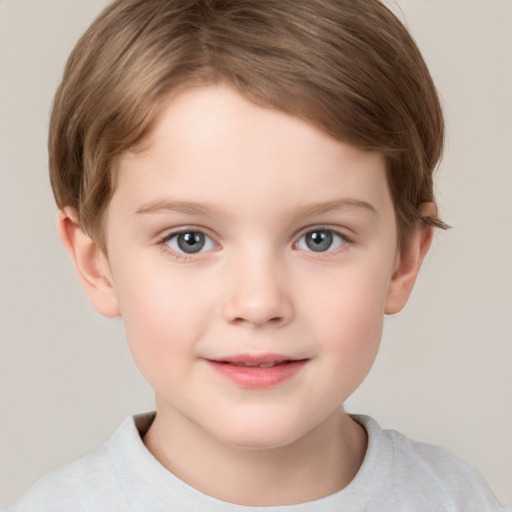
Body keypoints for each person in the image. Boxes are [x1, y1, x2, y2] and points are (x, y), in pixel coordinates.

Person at [6, 0, 508, 510]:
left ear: (403, 258)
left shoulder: (456, 499)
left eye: (320, 238)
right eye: (189, 240)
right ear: (98, 263)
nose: (258, 302)